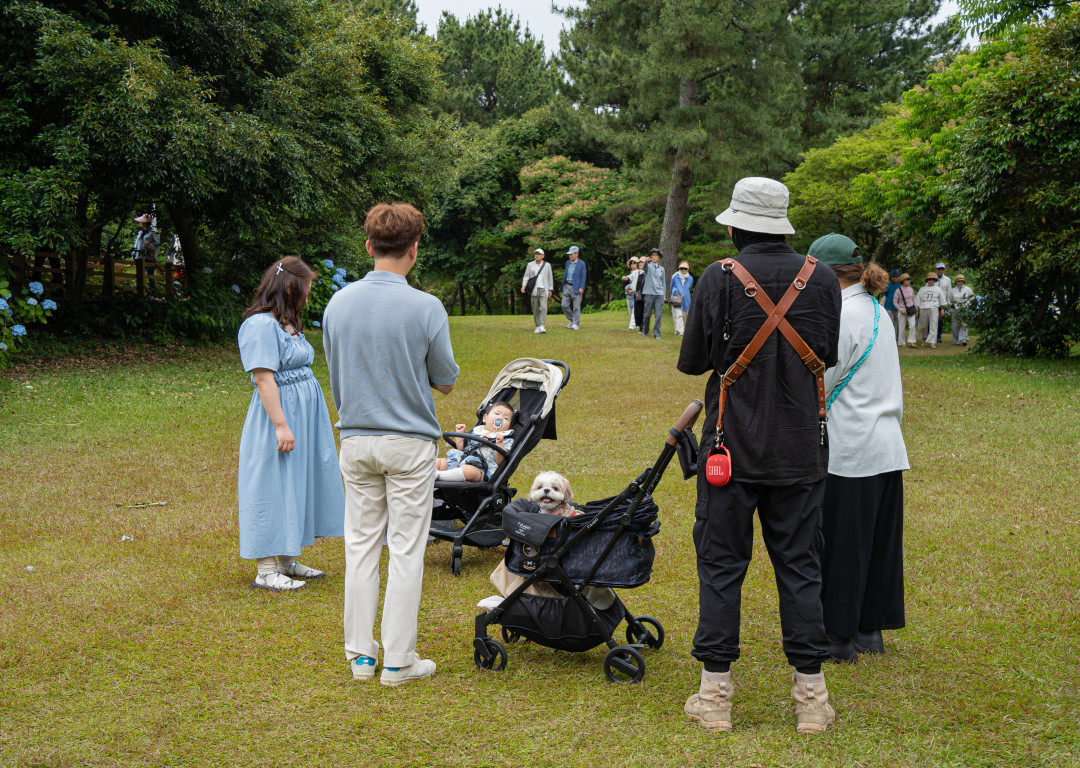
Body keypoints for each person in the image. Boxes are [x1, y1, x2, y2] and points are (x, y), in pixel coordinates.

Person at [677, 177, 841, 735]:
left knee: (721, 567)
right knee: (801, 567)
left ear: (734, 225)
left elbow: (695, 359)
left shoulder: (719, 277)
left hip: (730, 447)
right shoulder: (822, 278)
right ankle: (812, 701)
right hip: (800, 448)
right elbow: (825, 354)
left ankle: (715, 698)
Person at [323, 202, 460, 686]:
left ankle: (361, 657)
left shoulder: (337, 303)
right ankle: (399, 661)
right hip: (408, 441)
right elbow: (444, 380)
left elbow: (339, 367)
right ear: (414, 249)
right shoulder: (426, 307)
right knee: (405, 550)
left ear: (368, 246)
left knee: (360, 548)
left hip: (356, 438)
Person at [806, 234, 909, 664]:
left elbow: (820, 384)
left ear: (826, 274)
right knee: (879, 544)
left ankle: (838, 638)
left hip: (851, 448)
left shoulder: (841, 315)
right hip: (887, 445)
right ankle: (870, 631)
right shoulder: (876, 311)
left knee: (843, 545)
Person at [237, 256, 345, 593]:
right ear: (289, 287)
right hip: (279, 416)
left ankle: (287, 560)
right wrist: (281, 425)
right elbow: (263, 378)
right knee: (272, 484)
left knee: (296, 482)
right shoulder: (259, 325)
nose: (307, 297)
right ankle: (266, 570)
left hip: (303, 414)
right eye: (305, 290)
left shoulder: (284, 322)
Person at [435, 401, 515, 482]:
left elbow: (500, 461)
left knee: (469, 471)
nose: (500, 418)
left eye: (506, 418)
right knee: (438, 462)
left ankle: (438, 476)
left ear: (508, 427)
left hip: (480, 468)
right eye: (497, 414)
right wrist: (460, 434)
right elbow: (461, 448)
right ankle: (426, 473)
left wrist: (499, 444)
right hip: (461, 459)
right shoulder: (477, 432)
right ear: (485, 418)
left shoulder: (506, 440)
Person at [520, 248, 553, 334]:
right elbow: (526, 276)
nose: (537, 255)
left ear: (543, 256)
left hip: (544, 289)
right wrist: (523, 285)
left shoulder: (547, 265)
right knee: (535, 308)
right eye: (535, 254)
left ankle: (542, 325)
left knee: (543, 307)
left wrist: (550, 289)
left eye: (539, 254)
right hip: (534, 289)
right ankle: (537, 326)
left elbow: (550, 277)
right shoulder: (530, 265)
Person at [640, 247, 666, 339]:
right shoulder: (648, 266)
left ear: (659, 257)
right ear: (650, 257)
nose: (654, 257)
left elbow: (663, 282)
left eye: (656, 255)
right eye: (652, 255)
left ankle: (657, 333)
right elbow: (644, 267)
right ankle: (645, 331)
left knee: (658, 315)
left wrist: (664, 295)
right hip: (649, 293)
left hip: (659, 294)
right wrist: (646, 261)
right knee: (647, 314)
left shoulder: (662, 269)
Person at [560, 246, 586, 330]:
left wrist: (581, 287)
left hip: (577, 287)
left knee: (576, 307)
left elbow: (583, 276)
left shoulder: (582, 263)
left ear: (577, 254)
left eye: (571, 254)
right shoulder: (567, 262)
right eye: (569, 254)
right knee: (564, 305)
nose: (570, 256)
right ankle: (572, 320)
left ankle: (575, 323)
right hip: (567, 286)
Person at [916, 271, 945, 348]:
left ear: (935, 281)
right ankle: (924, 340)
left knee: (933, 325)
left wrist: (942, 310)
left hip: (934, 307)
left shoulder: (938, 289)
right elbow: (918, 300)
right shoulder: (922, 289)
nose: (931, 281)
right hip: (923, 307)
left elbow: (942, 300)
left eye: (933, 279)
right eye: (929, 279)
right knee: (923, 325)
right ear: (927, 280)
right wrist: (917, 309)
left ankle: (933, 342)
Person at [132, 214, 160, 287]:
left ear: (145, 223)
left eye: (142, 221)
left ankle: (152, 292)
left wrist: (150, 245)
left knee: (150, 276)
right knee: (139, 276)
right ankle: (141, 293)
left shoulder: (153, 233)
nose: (140, 223)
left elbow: (157, 245)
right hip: (140, 257)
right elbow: (136, 244)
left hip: (149, 257)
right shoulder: (140, 233)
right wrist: (133, 254)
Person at [669, 260, 694, 336]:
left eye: (685, 268)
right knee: (677, 314)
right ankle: (681, 330)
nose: (683, 270)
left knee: (684, 315)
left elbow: (689, 288)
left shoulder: (690, 278)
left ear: (688, 269)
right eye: (681, 268)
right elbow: (671, 286)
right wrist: (675, 291)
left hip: (686, 299)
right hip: (676, 297)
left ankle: (677, 330)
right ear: (679, 268)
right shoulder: (675, 276)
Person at [949, 274, 974, 346]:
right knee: (955, 325)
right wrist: (950, 305)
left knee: (965, 324)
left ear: (964, 281)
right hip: (956, 309)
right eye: (958, 281)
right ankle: (956, 340)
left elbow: (971, 299)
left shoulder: (968, 289)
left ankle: (964, 338)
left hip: (965, 309)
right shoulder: (952, 290)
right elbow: (950, 299)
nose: (960, 282)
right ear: (956, 282)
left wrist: (970, 307)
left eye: (961, 281)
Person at [895, 273, 918, 348]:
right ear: (903, 281)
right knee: (901, 327)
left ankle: (911, 341)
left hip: (911, 309)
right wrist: (900, 309)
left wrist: (916, 309)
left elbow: (913, 300)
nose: (909, 281)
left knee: (912, 325)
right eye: (907, 279)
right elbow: (895, 302)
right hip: (902, 309)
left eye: (909, 279)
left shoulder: (911, 289)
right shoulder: (898, 290)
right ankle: (902, 342)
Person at [621, 257, 641, 329]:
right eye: (631, 263)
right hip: (628, 294)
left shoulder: (640, 272)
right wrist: (627, 289)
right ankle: (636, 323)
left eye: (634, 263)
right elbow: (624, 283)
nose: (633, 265)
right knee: (630, 309)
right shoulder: (629, 273)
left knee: (635, 308)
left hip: (636, 293)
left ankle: (632, 325)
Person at [934, 263, 952, 343]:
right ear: (936, 270)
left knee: (940, 319)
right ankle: (931, 335)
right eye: (939, 269)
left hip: (942, 303)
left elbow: (949, 292)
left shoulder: (947, 279)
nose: (940, 270)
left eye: (942, 269)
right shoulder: (932, 278)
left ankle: (938, 336)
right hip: (933, 302)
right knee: (932, 319)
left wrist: (949, 302)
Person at [883, 269, 902, 339]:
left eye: (897, 276)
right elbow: (884, 296)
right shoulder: (888, 285)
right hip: (889, 307)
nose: (895, 278)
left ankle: (897, 337)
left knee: (898, 323)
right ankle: (890, 336)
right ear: (891, 277)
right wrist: (883, 306)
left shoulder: (901, 285)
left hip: (898, 307)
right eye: (894, 277)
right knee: (890, 323)